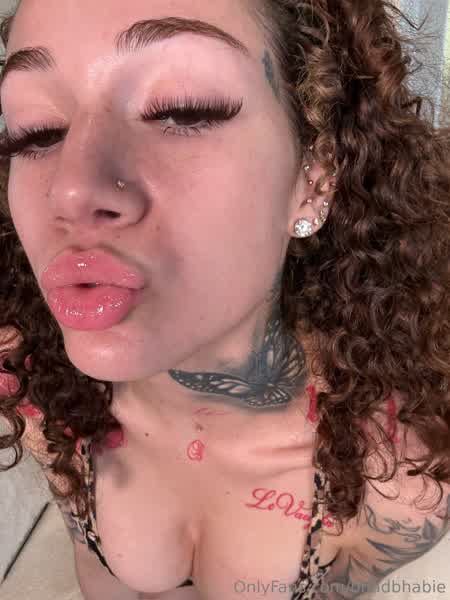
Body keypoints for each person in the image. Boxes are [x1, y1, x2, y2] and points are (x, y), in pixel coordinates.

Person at [0, 1, 448, 598]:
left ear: (314, 176)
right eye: (34, 131)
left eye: (183, 110)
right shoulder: (30, 387)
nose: (70, 189)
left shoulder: (400, 482)